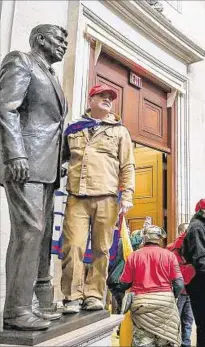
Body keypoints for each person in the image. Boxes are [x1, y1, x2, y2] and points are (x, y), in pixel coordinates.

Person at [0, 24, 68, 330]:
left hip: (46, 168)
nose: (64, 45)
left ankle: (28, 304)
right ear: (39, 39)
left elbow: (52, 125)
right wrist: (15, 153)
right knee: (29, 231)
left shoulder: (52, 75)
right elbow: (6, 108)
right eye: (59, 39)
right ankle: (15, 310)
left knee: (37, 235)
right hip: (24, 162)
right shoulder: (20, 61)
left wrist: (60, 161)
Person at [60, 84, 135, 313]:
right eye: (102, 96)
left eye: (110, 98)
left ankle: (93, 295)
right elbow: (60, 159)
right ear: (90, 99)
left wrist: (128, 195)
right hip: (77, 197)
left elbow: (128, 165)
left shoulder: (120, 131)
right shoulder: (74, 129)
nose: (107, 100)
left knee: (102, 249)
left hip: (107, 198)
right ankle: (72, 296)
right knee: (72, 246)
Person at [120, 223, 184, 347]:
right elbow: (179, 284)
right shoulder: (169, 255)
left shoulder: (134, 256)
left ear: (145, 238)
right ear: (159, 238)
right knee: (167, 341)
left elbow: (124, 283)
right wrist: (171, 296)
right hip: (165, 306)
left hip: (141, 305)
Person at [182, 198, 205, 347]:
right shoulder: (197, 227)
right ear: (200, 211)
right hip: (200, 281)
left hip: (201, 279)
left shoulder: (202, 226)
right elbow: (199, 256)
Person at [167, 223, 194, 347]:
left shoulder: (194, 248)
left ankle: (186, 344)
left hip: (191, 291)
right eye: (186, 230)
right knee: (174, 321)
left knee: (188, 321)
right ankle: (173, 343)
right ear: (180, 232)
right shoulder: (171, 249)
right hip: (177, 291)